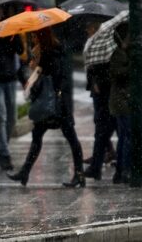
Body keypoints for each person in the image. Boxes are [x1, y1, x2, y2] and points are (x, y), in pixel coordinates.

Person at [7, 27, 85, 187]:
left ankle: (79, 174)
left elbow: (54, 77)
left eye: (35, 36)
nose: (33, 39)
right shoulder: (45, 52)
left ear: (42, 37)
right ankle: (25, 173)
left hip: (58, 104)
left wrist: (38, 66)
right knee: (37, 137)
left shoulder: (52, 53)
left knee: (71, 138)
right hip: (49, 103)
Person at [0, 6, 23, 166]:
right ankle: (4, 153)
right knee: (0, 115)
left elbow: (20, 50)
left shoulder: (9, 27)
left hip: (10, 77)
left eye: (0, 10)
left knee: (11, 117)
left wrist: (13, 35)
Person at [83, 21, 116, 181]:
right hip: (103, 95)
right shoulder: (97, 46)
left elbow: (99, 70)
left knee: (103, 130)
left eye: (89, 27)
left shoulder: (104, 47)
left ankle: (99, 163)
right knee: (103, 130)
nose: (86, 30)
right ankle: (102, 160)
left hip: (105, 95)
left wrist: (96, 81)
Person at [109, 21, 132, 184]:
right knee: (126, 136)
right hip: (121, 101)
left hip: (123, 100)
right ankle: (123, 170)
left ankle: (122, 170)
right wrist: (132, 65)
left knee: (125, 136)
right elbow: (118, 74)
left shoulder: (124, 53)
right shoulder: (118, 54)